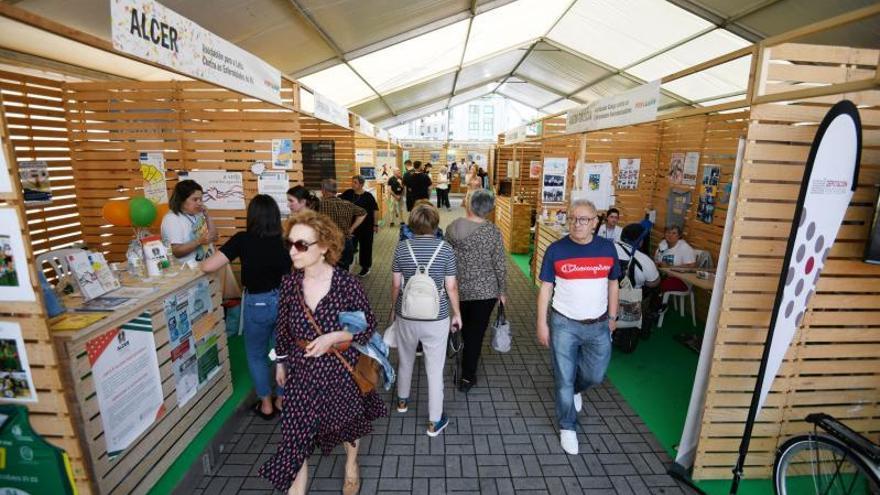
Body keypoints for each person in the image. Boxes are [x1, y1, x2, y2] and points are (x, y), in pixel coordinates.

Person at [259, 210, 386, 495]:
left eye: (302, 245)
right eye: (290, 243)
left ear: (324, 247)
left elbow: (367, 328)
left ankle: (351, 465)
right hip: (302, 373)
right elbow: (283, 328)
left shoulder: (347, 284)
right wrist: (280, 362)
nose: (293, 251)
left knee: (347, 425)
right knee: (294, 442)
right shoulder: (290, 284)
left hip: (340, 371)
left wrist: (336, 336)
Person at [536, 199, 620, 455]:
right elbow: (546, 289)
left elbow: (613, 283)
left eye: (584, 219)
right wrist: (541, 323)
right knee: (563, 379)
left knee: (595, 375)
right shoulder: (556, 250)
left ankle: (576, 388)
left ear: (595, 222)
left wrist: (613, 317)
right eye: (572, 218)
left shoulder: (608, 249)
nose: (577, 224)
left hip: (598, 324)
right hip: (564, 323)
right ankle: (567, 426)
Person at [201, 195, 291, 418]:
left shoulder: (242, 239)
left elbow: (208, 266)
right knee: (283, 352)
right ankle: (282, 399)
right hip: (284, 301)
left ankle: (266, 404)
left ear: (252, 216)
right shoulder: (285, 240)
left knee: (256, 354)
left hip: (257, 303)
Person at [390, 203, 461, 437]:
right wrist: (457, 313)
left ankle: (402, 401)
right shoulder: (446, 250)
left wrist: (393, 310)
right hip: (436, 316)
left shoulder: (401, 248)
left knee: (406, 359)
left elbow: (396, 285)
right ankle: (434, 421)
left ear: (412, 223)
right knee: (434, 368)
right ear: (435, 223)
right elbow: (451, 286)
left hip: (407, 314)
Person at [445, 189, 506, 393]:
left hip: (457, 288)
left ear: (470, 204)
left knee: (457, 324)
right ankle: (467, 377)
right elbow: (499, 264)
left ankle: (453, 349)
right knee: (476, 334)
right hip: (485, 292)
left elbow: (446, 257)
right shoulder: (493, 232)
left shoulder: (453, 227)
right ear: (488, 209)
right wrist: (502, 291)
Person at [162, 179, 218, 264]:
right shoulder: (172, 219)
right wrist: (199, 241)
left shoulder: (198, 213)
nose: (199, 203)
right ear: (181, 200)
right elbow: (177, 252)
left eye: (200, 199)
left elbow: (214, 237)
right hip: (189, 273)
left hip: (206, 266)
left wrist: (207, 216)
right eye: (195, 199)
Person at [317, 179, 367, 271]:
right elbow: (363, 213)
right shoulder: (347, 204)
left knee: (327, 275)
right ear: (335, 190)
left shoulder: (319, 205)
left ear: (323, 190)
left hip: (328, 244)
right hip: (345, 243)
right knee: (344, 273)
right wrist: (352, 228)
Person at [340, 175, 379, 277]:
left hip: (366, 227)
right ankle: (346, 267)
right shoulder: (348, 193)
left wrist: (375, 224)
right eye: (352, 182)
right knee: (349, 247)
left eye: (355, 182)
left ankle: (365, 267)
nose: (352, 184)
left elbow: (375, 210)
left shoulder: (368, 196)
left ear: (361, 184)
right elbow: (338, 202)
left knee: (366, 247)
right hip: (351, 227)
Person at [654, 224, 697, 292]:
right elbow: (656, 261)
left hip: (681, 279)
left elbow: (691, 266)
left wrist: (669, 267)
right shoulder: (662, 244)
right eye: (668, 232)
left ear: (679, 236)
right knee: (649, 279)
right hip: (663, 276)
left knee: (658, 284)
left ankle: (658, 300)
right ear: (664, 234)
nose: (670, 235)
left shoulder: (684, 247)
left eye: (674, 233)